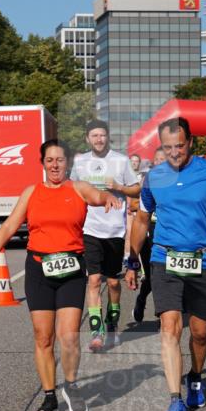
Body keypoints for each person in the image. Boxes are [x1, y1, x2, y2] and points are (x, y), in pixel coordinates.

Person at [0, 140, 119, 411]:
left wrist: (108, 198)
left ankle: (71, 385)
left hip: (71, 270)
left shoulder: (76, 188)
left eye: (60, 160)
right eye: (50, 160)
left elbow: (95, 195)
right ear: (42, 163)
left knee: (68, 336)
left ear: (68, 163)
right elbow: (9, 225)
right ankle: (49, 397)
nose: (55, 165)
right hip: (39, 269)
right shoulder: (32, 192)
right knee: (43, 337)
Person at [124, 117, 206, 411]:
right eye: (167, 147)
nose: (174, 152)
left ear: (191, 142)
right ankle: (175, 400)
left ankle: (196, 377)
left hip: (203, 261)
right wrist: (132, 258)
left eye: (180, 145)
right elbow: (141, 220)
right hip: (165, 260)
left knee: (200, 333)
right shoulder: (153, 179)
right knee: (170, 327)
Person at [70, 120, 140, 352]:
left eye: (102, 135)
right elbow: (72, 190)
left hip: (115, 231)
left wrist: (119, 187)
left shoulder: (121, 161)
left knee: (112, 283)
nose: (99, 139)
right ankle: (97, 332)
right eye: (94, 136)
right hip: (90, 229)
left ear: (108, 137)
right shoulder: (80, 163)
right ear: (87, 139)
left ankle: (112, 322)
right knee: (93, 281)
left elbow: (136, 188)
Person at [132, 147, 167, 323]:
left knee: (170, 275)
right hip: (149, 237)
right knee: (153, 276)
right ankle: (142, 299)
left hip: (169, 236)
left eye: (163, 159)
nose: (160, 162)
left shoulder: (176, 181)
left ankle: (164, 309)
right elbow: (133, 204)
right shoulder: (148, 181)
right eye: (158, 159)